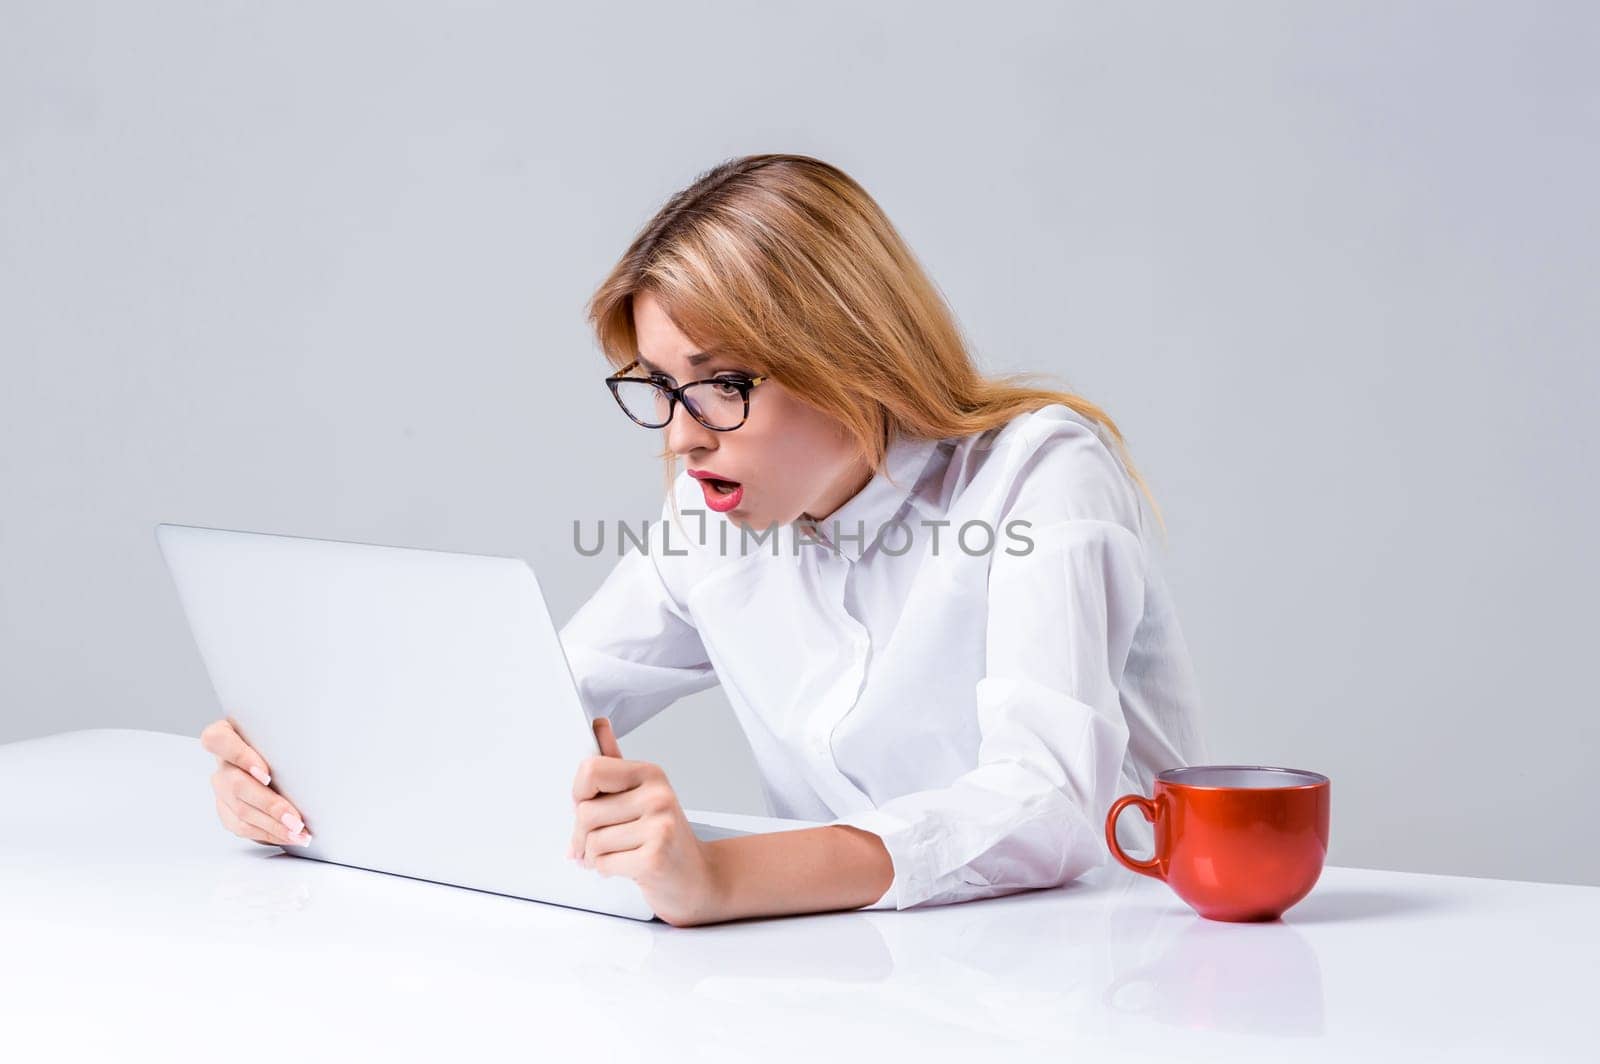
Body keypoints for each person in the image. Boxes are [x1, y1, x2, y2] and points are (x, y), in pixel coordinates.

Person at [200, 153, 1208, 927]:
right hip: (871, 982)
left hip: (1104, 967)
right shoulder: (716, 513)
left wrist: (720, 876)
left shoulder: (1042, 474)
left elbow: (1049, 804)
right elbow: (531, 704)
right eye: (659, 388)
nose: (682, 437)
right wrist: (300, 764)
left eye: (723, 385)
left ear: (850, 354)